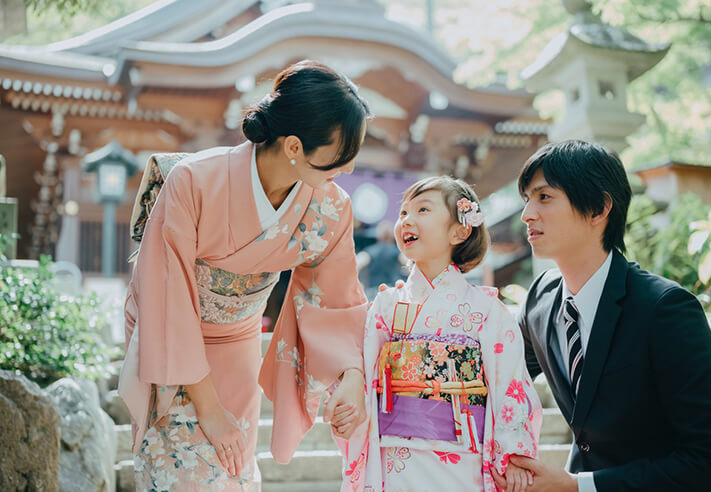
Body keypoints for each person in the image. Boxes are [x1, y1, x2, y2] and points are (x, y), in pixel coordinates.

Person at [118, 60, 371, 490]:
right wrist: (210, 409)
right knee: (184, 476)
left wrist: (352, 376)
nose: (344, 171)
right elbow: (166, 296)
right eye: (336, 160)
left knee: (234, 476)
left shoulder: (331, 208)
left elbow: (338, 299)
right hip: (175, 352)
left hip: (238, 354)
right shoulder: (194, 181)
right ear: (293, 146)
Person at [495, 140, 711, 492]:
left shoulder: (665, 309)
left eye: (544, 197)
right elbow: (498, 374)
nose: (527, 214)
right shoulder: (540, 300)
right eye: (527, 200)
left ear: (599, 208)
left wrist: (579, 486)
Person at [338, 176, 542, 492]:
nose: (407, 220)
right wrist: (350, 399)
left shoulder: (485, 310)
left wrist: (512, 453)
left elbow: (511, 384)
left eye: (422, 209)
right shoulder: (386, 304)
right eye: (403, 212)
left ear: (459, 231)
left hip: (463, 458)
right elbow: (362, 368)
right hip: (395, 455)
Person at [356, 221, 405, 300]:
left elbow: (356, 264)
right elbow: (408, 264)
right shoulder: (396, 251)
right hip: (391, 291)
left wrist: (358, 283)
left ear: (379, 236)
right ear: (393, 236)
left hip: (373, 293)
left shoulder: (370, 251)